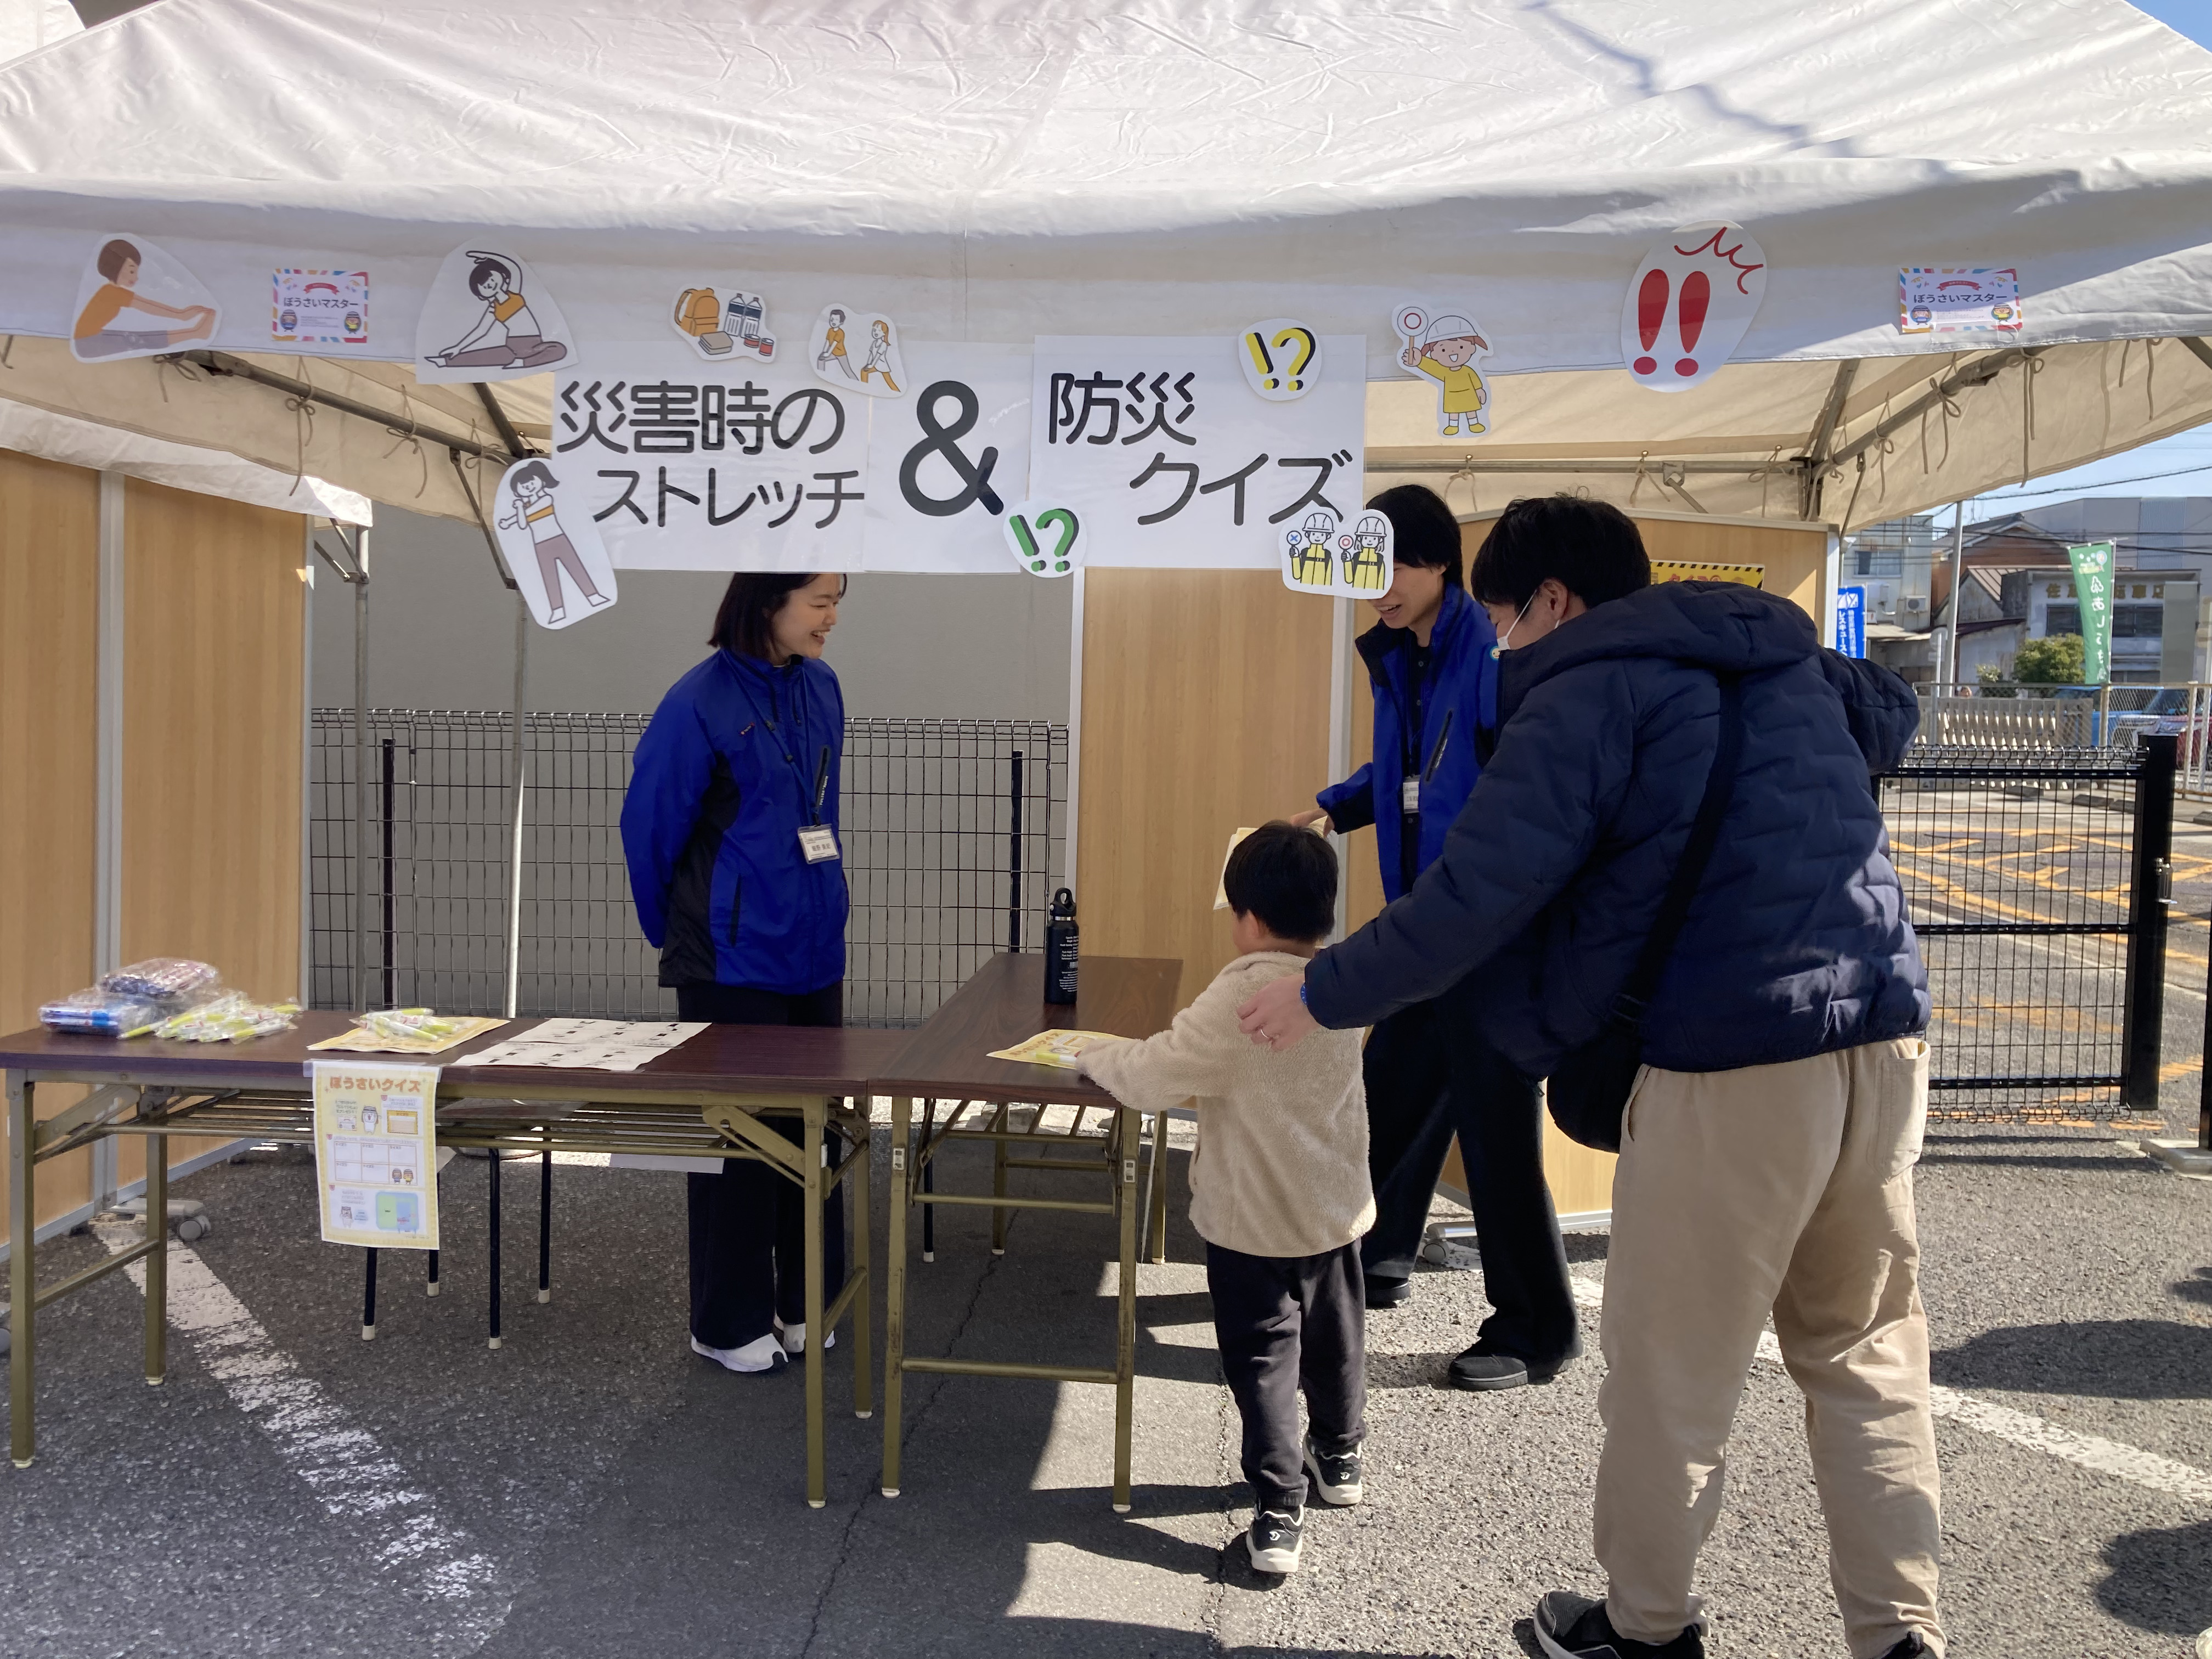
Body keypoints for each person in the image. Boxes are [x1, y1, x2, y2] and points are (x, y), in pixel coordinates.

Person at [1238, 495, 1940, 1659]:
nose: (1500, 641)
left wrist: (1319, 990)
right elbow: (1892, 712)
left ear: (1553, 601)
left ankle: (1645, 1629)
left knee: (1673, 1375)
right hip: (1884, 1034)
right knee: (1866, 1356)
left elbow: (1476, 894)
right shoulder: (1788, 661)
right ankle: (1900, 1634)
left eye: (1504, 617)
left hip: (1732, 1057)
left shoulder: (1588, 691)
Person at [1289, 483, 1579, 1393]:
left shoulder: (1487, 650)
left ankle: (1536, 1328)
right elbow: (1408, 771)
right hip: (1427, 921)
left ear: (1439, 564)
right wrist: (1336, 809)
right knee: (1389, 1090)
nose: (1376, 587)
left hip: (1483, 928)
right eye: (1365, 570)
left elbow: (1503, 776)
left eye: (1392, 568)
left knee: (1495, 1132)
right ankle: (1375, 1257)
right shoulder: (1401, 655)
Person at [1078, 822, 1370, 1579]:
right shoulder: (1345, 983)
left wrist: (1094, 1054)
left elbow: (1158, 1073)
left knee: (1265, 1362)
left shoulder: (1242, 994)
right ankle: (1340, 1456)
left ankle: (1278, 1510)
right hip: (1334, 1211)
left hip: (1250, 1222)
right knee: (1336, 1340)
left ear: (1250, 918)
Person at [620, 572, 851, 1374]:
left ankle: (808, 1301)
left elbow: (815, 810)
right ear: (767, 602)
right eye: (820, 601)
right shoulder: (697, 702)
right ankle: (727, 1320)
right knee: (738, 1141)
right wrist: (685, 935)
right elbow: (649, 829)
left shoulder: (821, 686)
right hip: (730, 958)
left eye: (838, 600)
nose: (832, 617)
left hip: (813, 947)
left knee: (817, 1132)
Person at [495, 460, 610, 625]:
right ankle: (557, 610)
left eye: (531, 482)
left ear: (541, 481)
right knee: (550, 577)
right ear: (517, 491)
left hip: (559, 539)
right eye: (523, 486)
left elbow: (529, 513)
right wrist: (516, 513)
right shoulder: (525, 506)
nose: (528, 487)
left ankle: (594, 596)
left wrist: (515, 514)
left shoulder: (547, 498)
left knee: (576, 568)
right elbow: (522, 524)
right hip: (540, 545)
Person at [72, 238, 215, 358]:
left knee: (138, 338)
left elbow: (148, 304)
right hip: (88, 343)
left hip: (89, 339)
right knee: (141, 339)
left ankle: (195, 333)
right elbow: (148, 307)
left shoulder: (111, 291)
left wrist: (181, 314)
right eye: (132, 271)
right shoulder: (112, 293)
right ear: (116, 266)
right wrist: (181, 315)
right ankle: (195, 333)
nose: (136, 277)